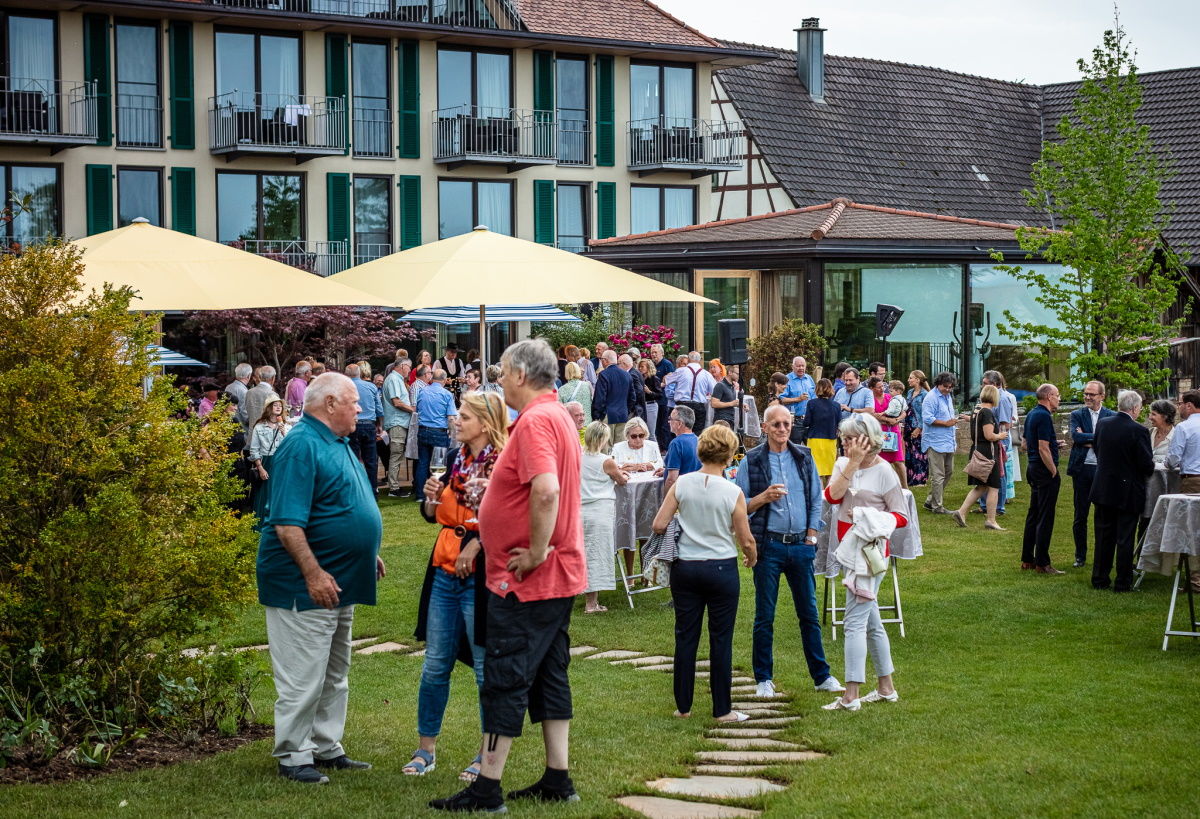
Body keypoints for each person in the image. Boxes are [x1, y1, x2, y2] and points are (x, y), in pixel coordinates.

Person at [430, 340, 584, 813]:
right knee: (549, 675)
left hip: (529, 578)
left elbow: (546, 490)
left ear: (519, 374)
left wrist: (536, 550)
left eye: (500, 373)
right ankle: (558, 778)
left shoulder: (537, 420)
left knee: (506, 673)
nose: (498, 380)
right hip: (558, 574)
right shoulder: (557, 414)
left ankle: (487, 787)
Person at [256, 372, 385, 784]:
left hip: (342, 576)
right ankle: (294, 755)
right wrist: (313, 573)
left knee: (334, 670)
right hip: (303, 584)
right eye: (353, 401)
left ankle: (326, 745)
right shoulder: (301, 445)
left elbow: (341, 503)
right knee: (303, 673)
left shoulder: (336, 442)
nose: (360, 408)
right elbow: (287, 523)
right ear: (329, 404)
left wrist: (367, 550)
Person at [408, 391, 509, 780]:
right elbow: (435, 517)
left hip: (480, 578)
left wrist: (478, 543)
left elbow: (508, 519)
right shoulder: (454, 460)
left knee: (484, 668)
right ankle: (425, 749)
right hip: (444, 570)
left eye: (463, 416)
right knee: (435, 665)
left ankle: (486, 755)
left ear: (484, 423)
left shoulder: (502, 465)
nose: (455, 420)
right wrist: (431, 500)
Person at [734, 405, 841, 699]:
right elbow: (738, 505)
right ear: (765, 428)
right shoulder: (753, 460)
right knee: (764, 615)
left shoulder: (803, 456)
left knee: (808, 613)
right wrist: (763, 497)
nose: (783, 429)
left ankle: (822, 676)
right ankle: (763, 679)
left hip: (800, 546)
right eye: (777, 424)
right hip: (769, 546)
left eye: (787, 424)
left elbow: (815, 498)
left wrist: (811, 535)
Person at [652, 424, 757, 722]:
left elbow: (659, 525)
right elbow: (745, 537)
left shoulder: (682, 484)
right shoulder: (733, 491)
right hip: (721, 566)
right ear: (729, 455)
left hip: (686, 567)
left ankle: (682, 707)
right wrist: (751, 556)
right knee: (720, 638)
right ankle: (722, 709)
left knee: (685, 636)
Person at [822, 413, 906, 711]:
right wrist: (852, 464)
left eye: (848, 439)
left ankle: (851, 695)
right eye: (842, 438)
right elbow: (832, 497)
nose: (843, 443)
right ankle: (886, 689)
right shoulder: (844, 463)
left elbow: (900, 515)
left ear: (865, 440)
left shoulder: (885, 472)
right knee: (872, 623)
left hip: (869, 554)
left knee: (854, 623)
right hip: (848, 550)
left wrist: (872, 520)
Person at [1089, 390, 1154, 592]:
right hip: (1128, 490)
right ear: (1134, 408)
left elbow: (1097, 448)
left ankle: (1099, 578)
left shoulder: (1103, 423)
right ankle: (1122, 581)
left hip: (1104, 486)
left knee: (1103, 535)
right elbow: (1146, 464)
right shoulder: (1138, 430)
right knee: (1124, 537)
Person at [580, 421, 628, 614]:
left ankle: (583, 595)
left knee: (584, 553)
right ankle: (591, 604)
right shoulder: (606, 460)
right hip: (599, 509)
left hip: (581, 509)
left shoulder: (577, 457)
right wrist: (621, 474)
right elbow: (621, 480)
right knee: (597, 555)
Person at [1067, 381, 1115, 568]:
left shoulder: (1111, 415)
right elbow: (1076, 437)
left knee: (1103, 515)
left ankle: (1101, 555)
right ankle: (1080, 556)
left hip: (1103, 469)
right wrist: (1097, 439)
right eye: (1085, 393)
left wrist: (1089, 438)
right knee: (1080, 514)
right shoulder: (1077, 414)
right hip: (1082, 469)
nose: (1087, 397)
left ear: (1102, 396)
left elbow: (1110, 441)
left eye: (1091, 394)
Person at [1022, 383, 1066, 574]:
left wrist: (1054, 444)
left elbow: (1025, 444)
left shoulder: (1032, 414)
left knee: (1034, 513)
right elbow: (1042, 448)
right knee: (1045, 516)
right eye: (1057, 395)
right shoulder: (1044, 416)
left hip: (1032, 468)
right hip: (1043, 471)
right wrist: (1053, 470)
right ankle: (1042, 562)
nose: (1059, 398)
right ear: (1049, 396)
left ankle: (1027, 559)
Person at [952, 384, 1007, 531]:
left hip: (977, 450)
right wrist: (1000, 435)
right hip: (988, 453)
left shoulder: (977, 409)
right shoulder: (988, 412)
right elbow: (989, 435)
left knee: (981, 486)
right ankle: (991, 520)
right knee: (994, 487)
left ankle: (961, 512)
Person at [415, 370, 458, 499]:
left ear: (432, 378)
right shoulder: (446, 394)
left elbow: (418, 410)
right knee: (439, 465)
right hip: (439, 432)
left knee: (422, 463)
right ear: (444, 380)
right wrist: (452, 433)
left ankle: (420, 495)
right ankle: (437, 493)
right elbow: (451, 418)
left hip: (423, 430)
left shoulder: (422, 391)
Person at [921, 371, 959, 515]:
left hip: (948, 441)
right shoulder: (930, 397)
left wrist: (952, 422)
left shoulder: (948, 396)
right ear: (938, 384)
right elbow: (927, 418)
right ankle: (937, 507)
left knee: (949, 471)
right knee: (938, 475)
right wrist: (946, 423)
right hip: (935, 441)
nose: (948, 389)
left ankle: (930, 500)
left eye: (950, 387)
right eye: (945, 386)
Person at [249, 393, 289, 527]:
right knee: (265, 493)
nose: (278, 407)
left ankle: (280, 524)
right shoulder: (259, 427)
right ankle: (261, 524)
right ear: (269, 408)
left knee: (281, 492)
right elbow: (254, 450)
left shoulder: (287, 426)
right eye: (275, 405)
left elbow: (293, 447)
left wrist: (284, 432)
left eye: (280, 406)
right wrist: (260, 468)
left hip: (282, 462)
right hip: (266, 461)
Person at [345, 363, 384, 491]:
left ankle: (355, 490)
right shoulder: (371, 387)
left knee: (353, 460)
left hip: (352, 425)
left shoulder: (345, 388)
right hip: (369, 424)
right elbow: (379, 409)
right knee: (371, 460)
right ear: (359, 373)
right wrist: (379, 425)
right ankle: (373, 491)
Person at [865, 376, 907, 489]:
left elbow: (903, 412)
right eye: (879, 387)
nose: (882, 389)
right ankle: (881, 487)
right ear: (871, 388)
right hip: (877, 432)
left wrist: (896, 420)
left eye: (883, 386)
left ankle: (905, 487)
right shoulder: (870, 400)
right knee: (878, 462)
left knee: (898, 461)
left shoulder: (891, 397)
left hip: (892, 431)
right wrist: (888, 420)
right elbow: (871, 415)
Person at [383, 356, 415, 498]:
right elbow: (397, 402)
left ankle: (394, 487)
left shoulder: (396, 379)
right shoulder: (394, 379)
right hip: (397, 422)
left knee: (397, 454)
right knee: (396, 455)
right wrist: (413, 410)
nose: (410, 370)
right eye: (409, 367)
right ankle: (393, 489)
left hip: (400, 422)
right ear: (402, 366)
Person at [592, 349, 636, 443]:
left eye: (602, 360)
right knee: (620, 447)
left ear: (605, 360)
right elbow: (632, 397)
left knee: (606, 446)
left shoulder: (604, 374)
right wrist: (626, 410)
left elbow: (600, 397)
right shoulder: (627, 375)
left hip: (607, 415)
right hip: (622, 414)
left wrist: (598, 415)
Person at [805, 378, 841, 481]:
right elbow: (839, 423)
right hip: (830, 440)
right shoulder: (836, 405)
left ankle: (820, 496)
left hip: (814, 439)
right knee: (830, 472)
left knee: (817, 473)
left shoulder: (811, 403)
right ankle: (830, 496)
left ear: (817, 389)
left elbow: (806, 422)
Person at [1166, 390, 1200, 494]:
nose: (1178, 407)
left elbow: (1173, 460)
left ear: (1189, 405)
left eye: (1180, 403)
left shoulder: (1183, 427)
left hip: (1193, 481)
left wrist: (1166, 462)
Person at [676, 351, 717, 435]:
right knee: (697, 433)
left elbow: (666, 382)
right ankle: (695, 447)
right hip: (699, 407)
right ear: (699, 360)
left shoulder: (680, 371)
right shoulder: (706, 374)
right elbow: (715, 391)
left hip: (682, 406)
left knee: (681, 432)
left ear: (689, 359)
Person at [663, 405, 702, 490]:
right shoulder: (698, 440)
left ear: (680, 423)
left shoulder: (677, 443)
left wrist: (666, 501)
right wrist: (665, 470)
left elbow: (672, 479)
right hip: (695, 490)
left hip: (681, 493)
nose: (669, 422)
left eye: (671, 419)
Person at [780, 356, 817, 444]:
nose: (801, 368)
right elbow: (781, 399)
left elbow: (814, 397)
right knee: (795, 450)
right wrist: (798, 399)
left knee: (812, 451)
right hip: (795, 422)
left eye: (803, 366)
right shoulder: (786, 379)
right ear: (792, 367)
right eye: (798, 366)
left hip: (810, 421)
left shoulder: (809, 379)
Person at [904, 370, 930, 486]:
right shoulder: (910, 392)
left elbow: (926, 414)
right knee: (909, 452)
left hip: (918, 426)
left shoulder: (925, 395)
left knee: (919, 453)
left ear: (917, 380)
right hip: (908, 426)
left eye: (911, 378)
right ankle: (910, 477)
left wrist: (920, 428)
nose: (908, 380)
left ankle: (920, 478)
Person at [243, 365, 278, 442]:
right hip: (267, 439)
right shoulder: (272, 395)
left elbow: (246, 413)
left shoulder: (249, 392)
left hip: (251, 437)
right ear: (273, 378)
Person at [649, 343, 675, 442]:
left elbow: (670, 380)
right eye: (652, 352)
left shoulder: (667, 364)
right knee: (655, 425)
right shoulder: (650, 364)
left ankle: (665, 447)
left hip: (664, 399)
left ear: (662, 353)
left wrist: (662, 384)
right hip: (652, 398)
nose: (653, 354)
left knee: (663, 424)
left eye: (655, 352)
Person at [637, 357, 663, 439]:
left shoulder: (654, 379)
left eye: (642, 366)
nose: (640, 368)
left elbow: (660, 395)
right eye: (639, 367)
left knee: (650, 433)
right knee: (642, 431)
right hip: (641, 406)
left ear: (648, 367)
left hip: (651, 405)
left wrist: (649, 392)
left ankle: (655, 451)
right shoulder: (639, 378)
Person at [225, 362, 253, 431]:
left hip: (228, 427)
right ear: (248, 376)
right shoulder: (244, 391)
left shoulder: (228, 387)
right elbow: (246, 415)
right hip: (242, 430)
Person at [620, 353, 648, 422]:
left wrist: (630, 406)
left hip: (634, 410)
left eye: (618, 364)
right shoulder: (636, 372)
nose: (618, 366)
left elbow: (639, 391)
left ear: (624, 364)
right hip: (637, 409)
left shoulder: (631, 374)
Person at [1148, 398, 1176, 463]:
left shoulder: (1176, 436)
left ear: (1165, 416)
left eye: (1153, 414)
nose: (1150, 417)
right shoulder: (1149, 433)